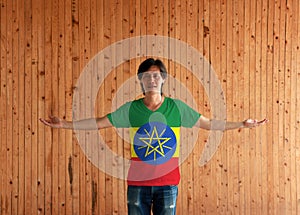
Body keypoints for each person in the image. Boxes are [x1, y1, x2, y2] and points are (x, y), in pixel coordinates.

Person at [40, 58, 268, 215]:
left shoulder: (176, 108)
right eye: (147, 76)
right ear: (141, 80)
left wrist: (241, 124)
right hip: (137, 184)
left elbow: (207, 124)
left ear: (163, 80)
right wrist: (65, 125)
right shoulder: (131, 109)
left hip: (168, 185)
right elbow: (99, 123)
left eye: (156, 76)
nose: (152, 79)